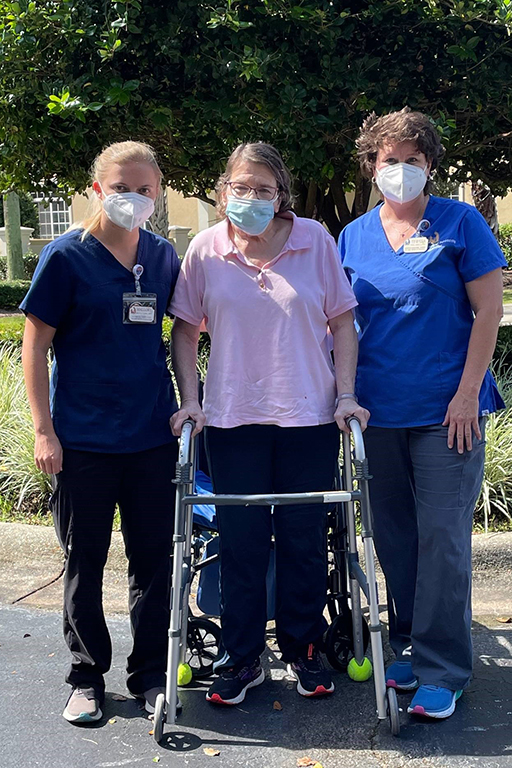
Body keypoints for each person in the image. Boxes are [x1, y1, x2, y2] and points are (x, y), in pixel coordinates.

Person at [170, 141, 369, 706]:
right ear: (222, 189)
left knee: (306, 540)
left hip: (308, 415)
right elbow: (185, 329)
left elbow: (344, 322)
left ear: (281, 194)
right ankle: (243, 655)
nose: (251, 197)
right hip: (233, 419)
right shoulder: (205, 249)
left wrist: (347, 394)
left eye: (263, 189)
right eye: (241, 187)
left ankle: (304, 648)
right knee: (242, 541)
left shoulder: (314, 241)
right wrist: (191, 400)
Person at [338, 108, 506, 720]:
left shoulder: (461, 223)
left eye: (413, 159)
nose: (401, 170)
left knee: (442, 537)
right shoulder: (353, 236)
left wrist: (467, 395)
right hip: (376, 412)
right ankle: (411, 639)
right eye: (390, 160)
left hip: (447, 411)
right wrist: (345, 396)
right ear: (372, 167)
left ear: (430, 165)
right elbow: (343, 324)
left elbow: (488, 313)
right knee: (395, 535)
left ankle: (444, 668)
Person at [21, 141, 181, 724]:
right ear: (96, 190)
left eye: (144, 188)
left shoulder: (163, 257)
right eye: (120, 188)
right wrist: (44, 431)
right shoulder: (66, 257)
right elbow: (33, 346)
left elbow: (188, 331)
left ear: (158, 191)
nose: (132, 198)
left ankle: (149, 677)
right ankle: (86, 677)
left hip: (151, 440)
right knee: (84, 563)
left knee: (154, 564)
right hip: (82, 441)